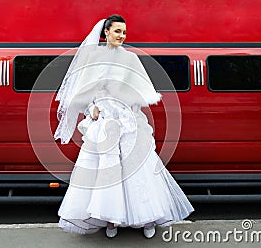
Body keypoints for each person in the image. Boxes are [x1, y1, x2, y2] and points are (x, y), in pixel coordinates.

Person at [54, 14, 194, 238]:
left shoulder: (130, 58)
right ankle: (111, 220)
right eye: (117, 31)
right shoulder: (93, 57)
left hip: (128, 120)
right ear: (106, 32)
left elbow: (141, 91)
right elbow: (83, 91)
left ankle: (147, 219)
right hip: (104, 122)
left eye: (124, 32)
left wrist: (131, 109)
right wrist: (92, 108)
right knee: (106, 171)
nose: (122, 36)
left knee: (137, 168)